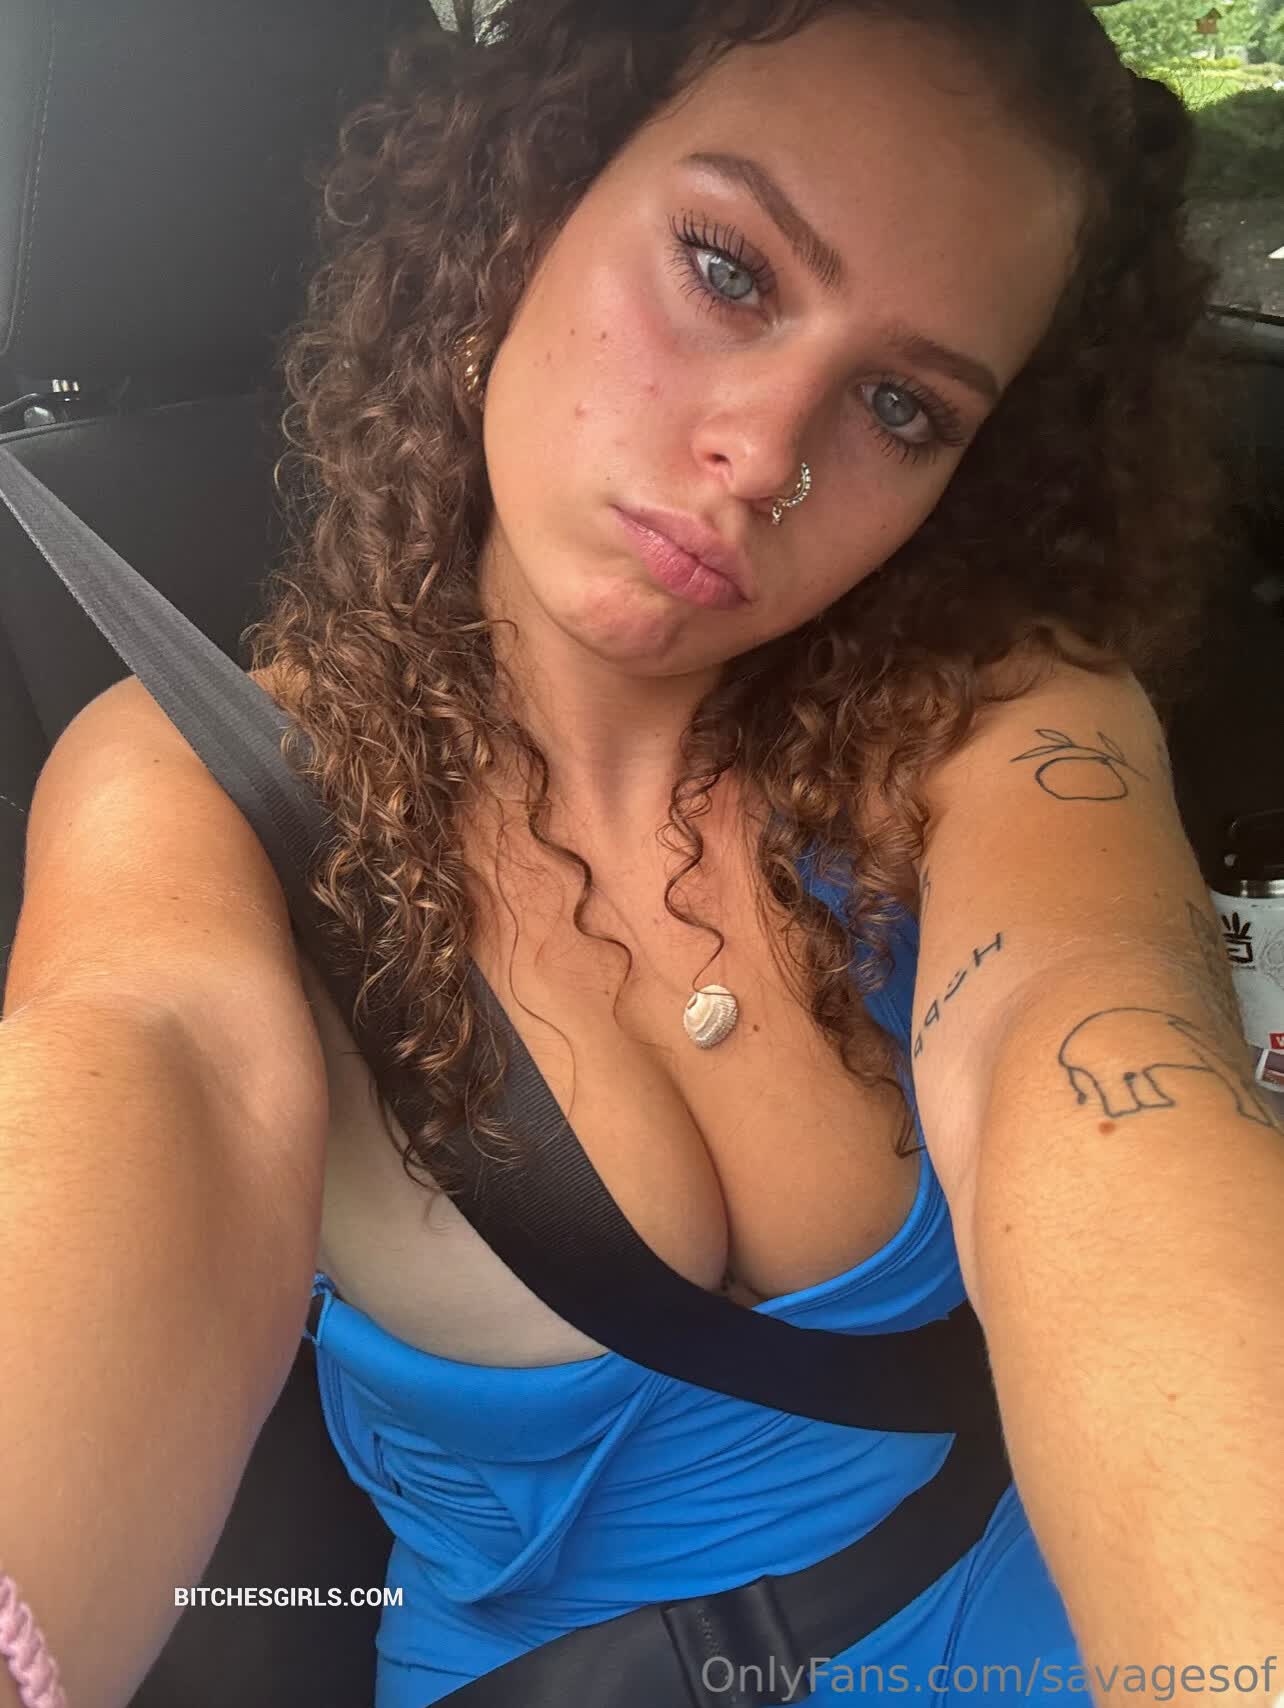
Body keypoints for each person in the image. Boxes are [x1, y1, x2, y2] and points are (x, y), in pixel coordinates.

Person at [2, 1, 1282, 1705]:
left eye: (902, 405)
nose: (765, 454)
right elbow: (153, 1066)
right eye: (729, 271)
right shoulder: (198, 787)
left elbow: (1102, 1062)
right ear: (528, 206)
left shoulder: (992, 721)